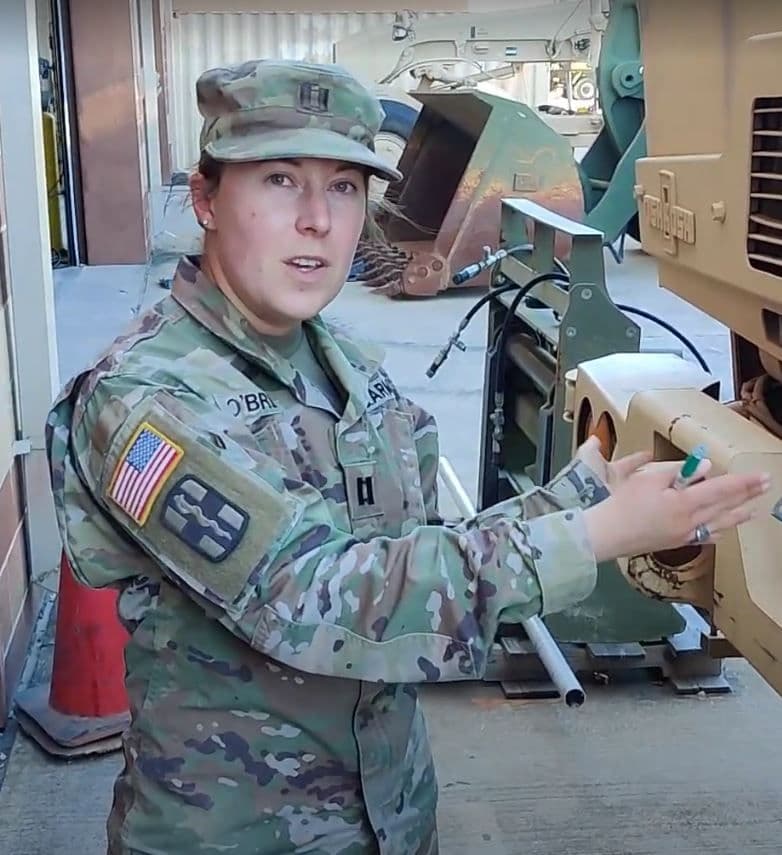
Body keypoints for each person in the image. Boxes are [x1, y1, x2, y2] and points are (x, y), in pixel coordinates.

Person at [45, 58, 769, 855]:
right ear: (208, 199)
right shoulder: (145, 402)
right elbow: (311, 593)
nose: (318, 219)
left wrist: (588, 492)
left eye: (347, 186)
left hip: (388, 816)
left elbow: (411, 560)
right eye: (281, 180)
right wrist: (594, 538)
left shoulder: (340, 359)